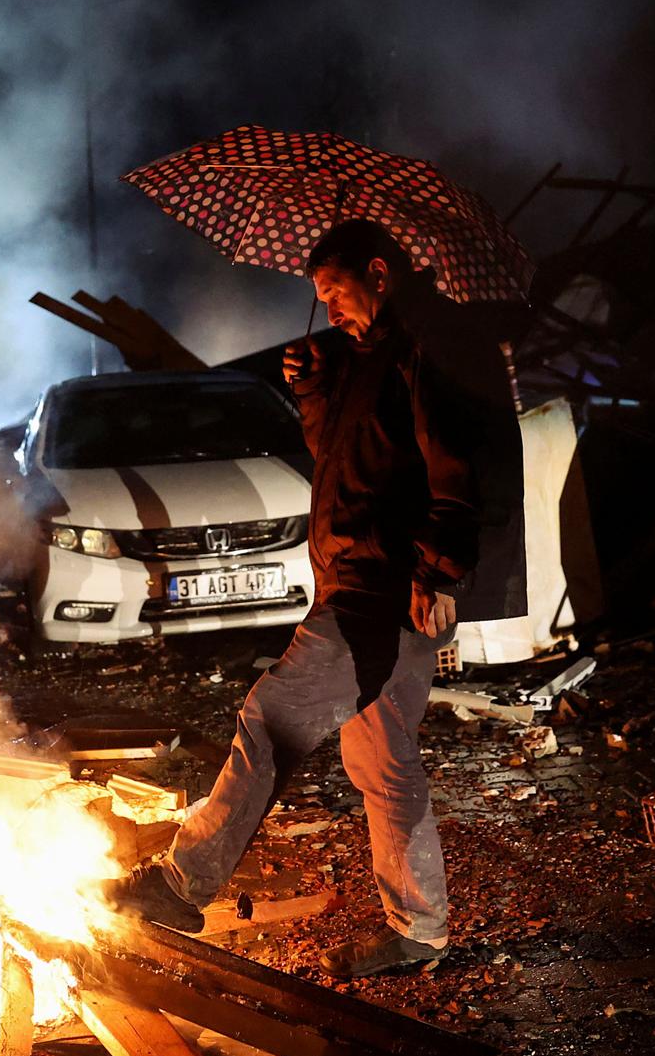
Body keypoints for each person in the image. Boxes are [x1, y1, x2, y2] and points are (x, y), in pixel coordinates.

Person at [108, 218, 527, 976]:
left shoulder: (428, 348)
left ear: (378, 271)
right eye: (320, 297)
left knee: (268, 718)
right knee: (387, 762)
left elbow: (455, 466)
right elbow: (343, 458)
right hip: (360, 581)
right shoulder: (364, 356)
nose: (328, 306)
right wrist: (311, 390)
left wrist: (436, 572)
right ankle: (420, 932)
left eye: (335, 290)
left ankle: (180, 883)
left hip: (382, 590)